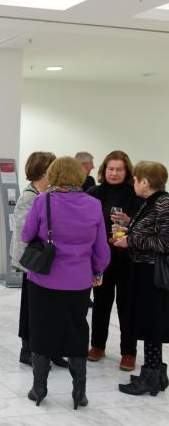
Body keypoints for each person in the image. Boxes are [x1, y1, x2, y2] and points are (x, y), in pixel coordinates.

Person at [21, 156, 110, 409]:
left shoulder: (42, 201)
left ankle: (39, 388)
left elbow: (27, 235)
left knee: (41, 329)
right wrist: (97, 271)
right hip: (79, 281)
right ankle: (79, 392)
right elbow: (101, 248)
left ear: (52, 175)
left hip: (44, 279)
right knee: (77, 331)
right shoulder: (93, 204)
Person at [113, 161, 169, 396]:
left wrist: (131, 241)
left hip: (152, 274)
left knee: (152, 325)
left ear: (145, 182)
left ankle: (151, 378)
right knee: (148, 324)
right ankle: (156, 375)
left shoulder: (164, 203)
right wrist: (130, 224)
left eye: (135, 179)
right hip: (142, 271)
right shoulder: (152, 202)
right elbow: (150, 231)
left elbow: (165, 243)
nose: (133, 182)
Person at [10, 152, 69, 368]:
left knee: (50, 309)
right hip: (35, 264)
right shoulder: (30, 196)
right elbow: (25, 232)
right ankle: (28, 350)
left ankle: (51, 349)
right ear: (44, 172)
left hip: (48, 263)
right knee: (32, 309)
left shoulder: (50, 194)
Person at [86, 151, 141, 371]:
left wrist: (130, 221)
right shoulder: (93, 193)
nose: (115, 173)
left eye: (119, 169)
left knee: (127, 307)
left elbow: (145, 224)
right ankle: (97, 346)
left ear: (127, 171)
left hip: (128, 260)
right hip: (102, 259)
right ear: (104, 170)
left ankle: (128, 352)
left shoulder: (135, 194)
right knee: (100, 304)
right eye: (111, 169)